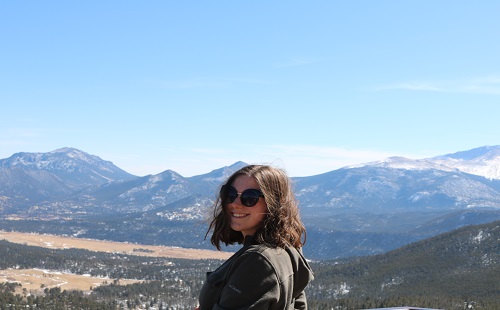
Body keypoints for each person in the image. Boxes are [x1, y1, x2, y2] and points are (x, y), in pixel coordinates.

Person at [196, 164, 314, 310]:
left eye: (250, 197)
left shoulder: (259, 261)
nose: (235, 204)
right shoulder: (288, 247)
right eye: (230, 194)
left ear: (273, 203)